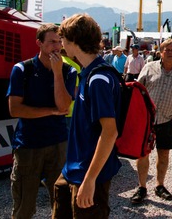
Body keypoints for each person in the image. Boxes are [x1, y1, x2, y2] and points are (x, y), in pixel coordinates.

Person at [53, 14, 122, 218]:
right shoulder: (87, 71)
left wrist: (90, 180)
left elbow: (110, 133)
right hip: (73, 169)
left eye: (62, 38)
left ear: (74, 39)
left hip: (89, 174)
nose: (61, 43)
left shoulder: (99, 78)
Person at [7, 23, 77, 219]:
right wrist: (50, 111)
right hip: (28, 145)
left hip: (58, 144)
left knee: (62, 204)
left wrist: (56, 73)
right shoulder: (22, 70)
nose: (57, 47)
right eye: (52, 42)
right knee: (24, 206)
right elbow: (15, 109)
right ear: (39, 43)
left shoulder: (67, 71)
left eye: (59, 42)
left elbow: (63, 107)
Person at [131, 38, 172, 204]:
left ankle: (160, 185)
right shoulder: (149, 67)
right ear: (160, 52)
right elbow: (137, 90)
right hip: (146, 120)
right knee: (143, 154)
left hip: (167, 121)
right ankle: (142, 187)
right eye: (167, 49)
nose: (171, 52)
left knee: (163, 154)